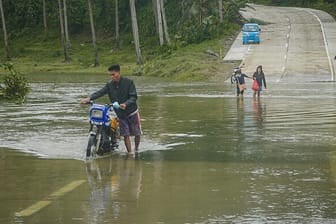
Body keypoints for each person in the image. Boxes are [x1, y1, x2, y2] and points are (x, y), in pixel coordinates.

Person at [81, 64, 141, 154]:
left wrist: (125, 104)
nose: (111, 77)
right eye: (110, 75)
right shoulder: (109, 85)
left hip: (131, 111)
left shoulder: (129, 82)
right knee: (126, 135)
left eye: (113, 74)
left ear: (119, 73)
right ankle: (129, 154)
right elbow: (101, 92)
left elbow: (133, 97)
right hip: (120, 113)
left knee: (137, 133)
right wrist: (89, 98)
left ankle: (136, 149)